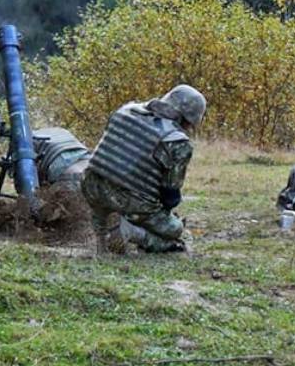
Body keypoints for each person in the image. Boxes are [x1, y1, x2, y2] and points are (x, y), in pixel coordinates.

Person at [79, 84, 205, 255]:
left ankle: (101, 235)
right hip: (132, 201)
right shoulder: (177, 141)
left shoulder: (126, 110)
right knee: (175, 229)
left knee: (102, 205)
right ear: (187, 119)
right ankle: (132, 232)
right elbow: (170, 194)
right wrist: (168, 214)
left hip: (91, 184)